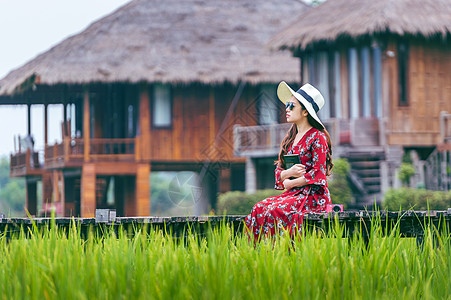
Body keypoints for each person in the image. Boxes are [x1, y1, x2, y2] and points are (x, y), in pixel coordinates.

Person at [245, 81, 334, 240]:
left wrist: (291, 182)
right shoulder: (291, 138)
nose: (287, 109)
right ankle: (256, 253)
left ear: (305, 112)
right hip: (293, 194)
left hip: (313, 197)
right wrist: (288, 173)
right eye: (287, 105)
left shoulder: (318, 138)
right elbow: (279, 170)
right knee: (259, 207)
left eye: (292, 106)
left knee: (275, 210)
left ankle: (280, 252)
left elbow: (318, 174)